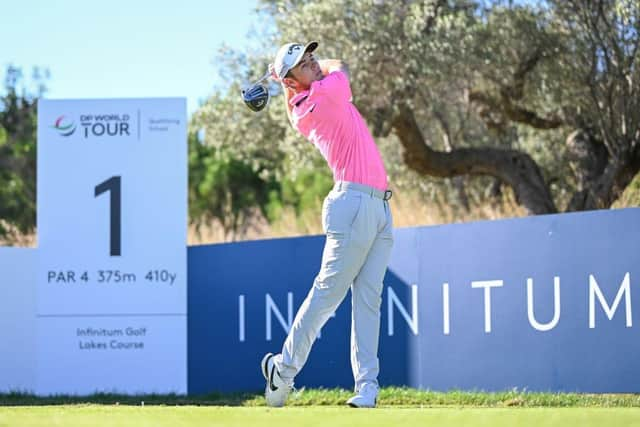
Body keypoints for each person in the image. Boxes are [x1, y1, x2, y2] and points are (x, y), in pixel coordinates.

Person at [261, 41, 394, 408]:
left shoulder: (311, 93)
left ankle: (367, 388)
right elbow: (344, 64)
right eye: (304, 65)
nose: (314, 65)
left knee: (369, 301)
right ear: (291, 82)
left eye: (312, 57)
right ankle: (283, 370)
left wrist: (290, 72)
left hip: (380, 205)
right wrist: (300, 75)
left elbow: (330, 70)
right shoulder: (320, 98)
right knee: (327, 295)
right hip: (352, 204)